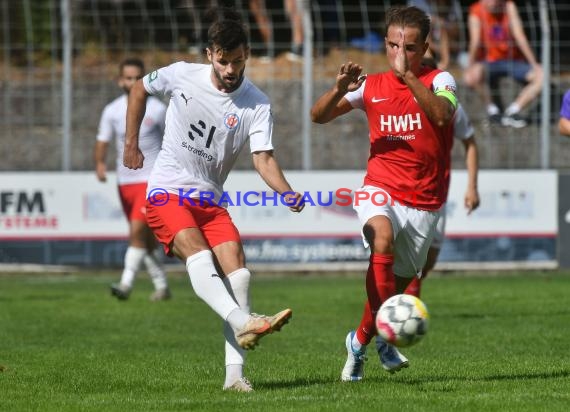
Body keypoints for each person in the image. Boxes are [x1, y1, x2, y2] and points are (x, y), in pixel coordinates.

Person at [123, 8, 304, 392]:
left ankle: (234, 378)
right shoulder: (181, 74)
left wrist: (286, 191)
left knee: (239, 272)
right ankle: (243, 322)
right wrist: (131, 142)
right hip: (167, 191)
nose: (231, 70)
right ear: (210, 54)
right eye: (224, 61)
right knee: (199, 255)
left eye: (238, 61)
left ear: (247, 55)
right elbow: (140, 87)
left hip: (209, 200)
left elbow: (263, 158)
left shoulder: (256, 103)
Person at [311, 5, 457, 381]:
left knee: (396, 282)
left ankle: (360, 342)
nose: (399, 55)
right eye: (393, 46)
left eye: (409, 47)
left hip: (424, 201)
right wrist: (339, 88)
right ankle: (379, 338)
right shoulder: (370, 85)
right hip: (379, 188)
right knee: (382, 238)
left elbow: (441, 115)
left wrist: (410, 80)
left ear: (424, 47)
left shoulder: (443, 81)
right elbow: (319, 115)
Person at [94, 57, 172, 302]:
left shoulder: (159, 109)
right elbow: (103, 139)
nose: (133, 82)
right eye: (128, 78)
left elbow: (172, 141)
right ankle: (162, 286)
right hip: (125, 182)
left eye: (138, 77)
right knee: (145, 240)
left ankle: (126, 284)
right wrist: (99, 163)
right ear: (120, 81)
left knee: (137, 232)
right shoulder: (113, 110)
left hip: (151, 180)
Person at [463, 0, 543, 128]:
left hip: (513, 61)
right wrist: (470, 66)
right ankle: (493, 111)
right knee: (470, 77)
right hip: (487, 63)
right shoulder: (476, 10)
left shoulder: (509, 6)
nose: (495, 3)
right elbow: (475, 41)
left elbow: (520, 36)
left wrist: (534, 64)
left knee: (542, 76)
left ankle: (513, 111)